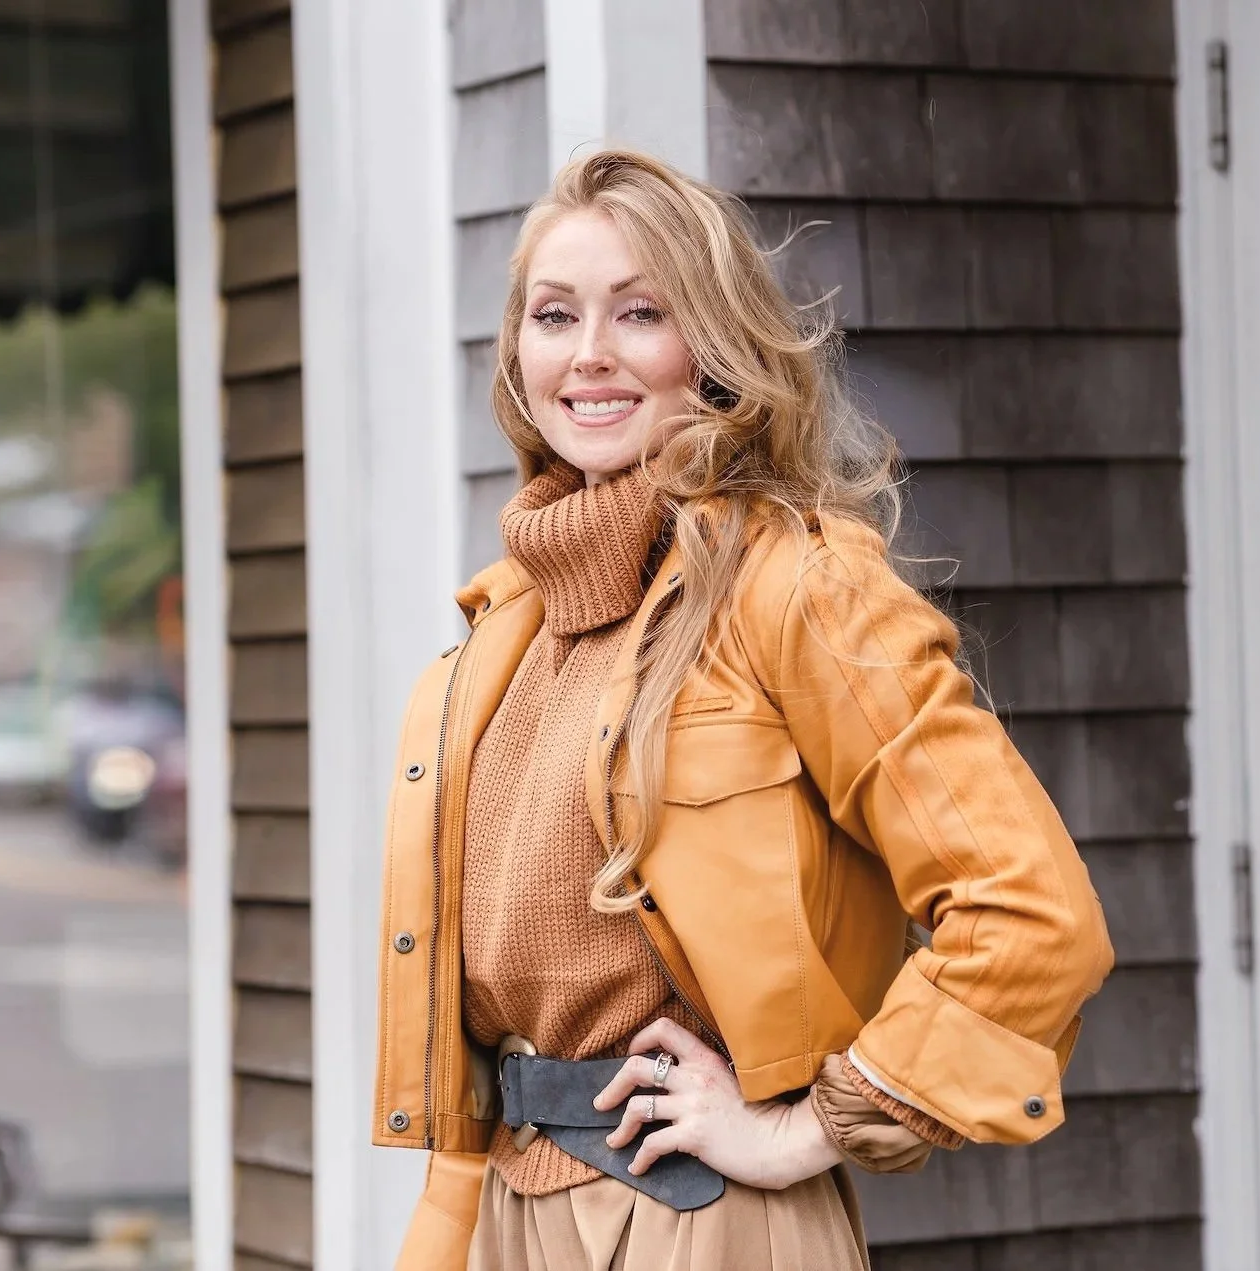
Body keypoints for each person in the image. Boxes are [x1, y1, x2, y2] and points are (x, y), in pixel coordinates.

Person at [371, 148, 1114, 1271]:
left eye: (641, 311)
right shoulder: (502, 630)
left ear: (710, 348)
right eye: (554, 314)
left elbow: (1032, 913)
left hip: (699, 1217)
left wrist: (808, 1126)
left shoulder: (801, 588)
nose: (590, 354)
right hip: (512, 1216)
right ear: (517, 357)